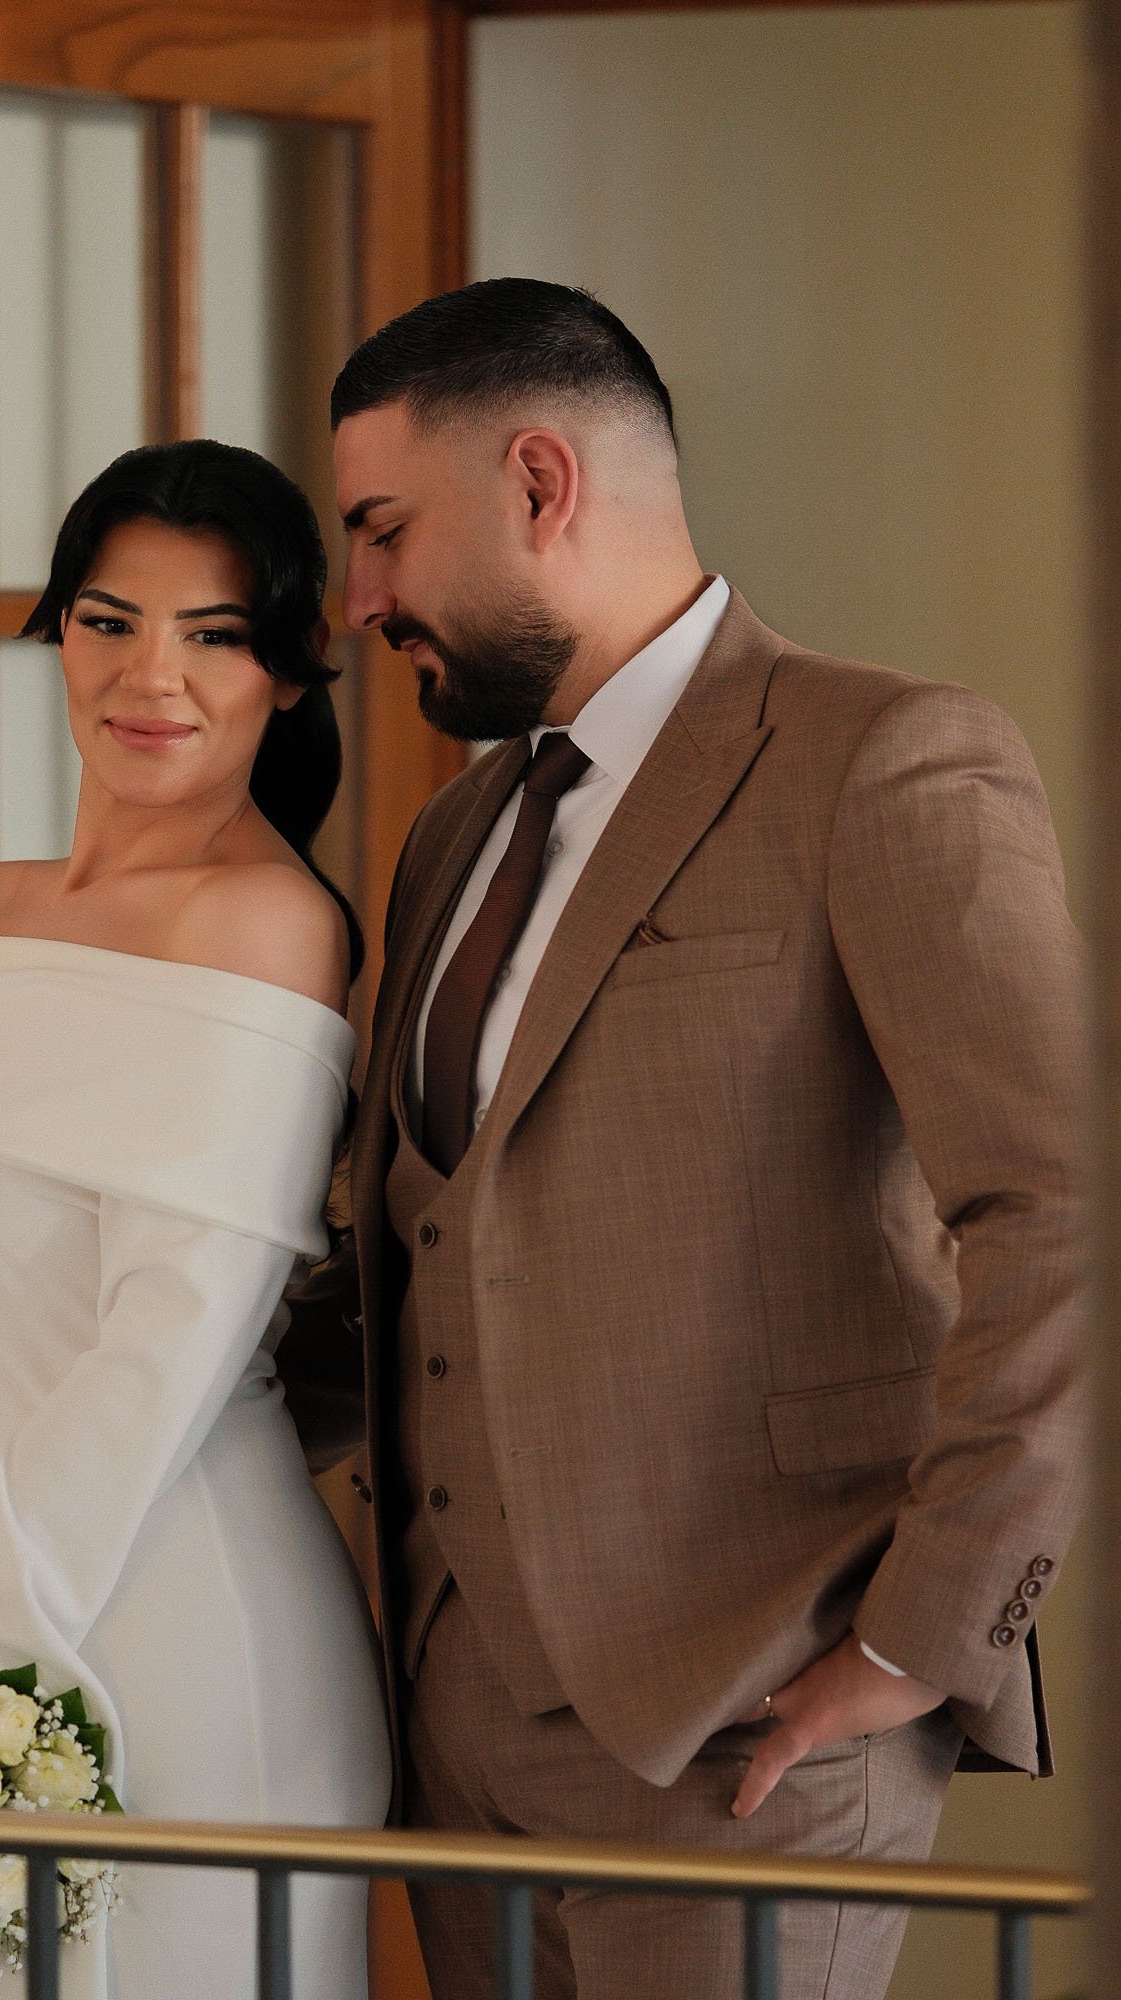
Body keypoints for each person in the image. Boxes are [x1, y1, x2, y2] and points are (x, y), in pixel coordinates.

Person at [280, 277, 1087, 2000]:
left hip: (752, 1735)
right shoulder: (451, 838)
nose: (358, 602)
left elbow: (1060, 1209)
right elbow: (423, 1255)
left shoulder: (880, 759)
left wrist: (917, 1638)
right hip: (450, 1735)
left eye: (381, 531)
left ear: (539, 483)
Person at [0, 439, 391, 1999]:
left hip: (176, 1626)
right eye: (107, 622)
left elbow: (164, 1350)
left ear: (290, 674)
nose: (148, 674)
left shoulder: (268, 926)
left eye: (214, 634)